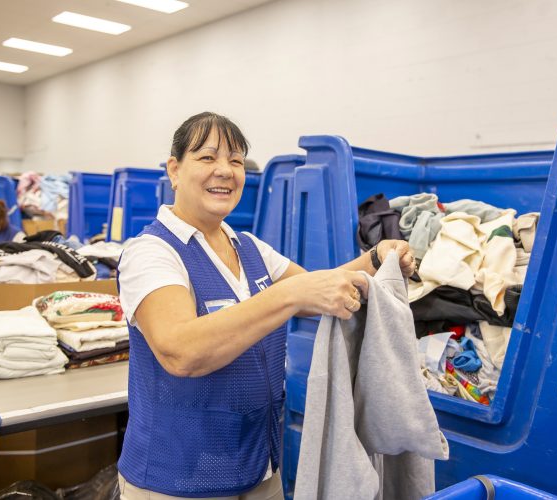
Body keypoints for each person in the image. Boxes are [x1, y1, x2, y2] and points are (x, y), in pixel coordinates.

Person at [116, 112, 416, 500]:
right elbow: (181, 351)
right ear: (175, 170)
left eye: (236, 160)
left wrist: (376, 259)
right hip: (178, 478)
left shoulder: (248, 247)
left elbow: (315, 288)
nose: (224, 170)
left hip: (259, 469)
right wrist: (288, 297)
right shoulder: (152, 252)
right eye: (207, 158)